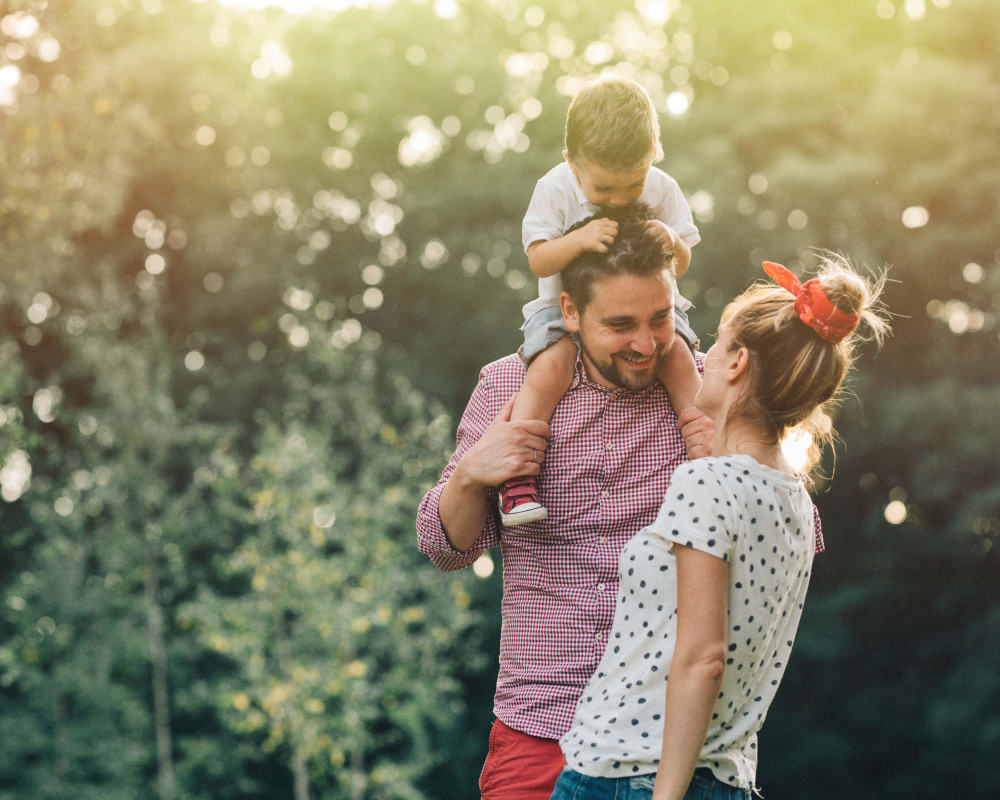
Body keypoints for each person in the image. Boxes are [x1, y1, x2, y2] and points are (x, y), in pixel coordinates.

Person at [416, 214, 825, 800]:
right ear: (571, 313)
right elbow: (446, 549)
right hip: (541, 725)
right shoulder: (510, 388)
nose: (645, 343)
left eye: (661, 319)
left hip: (669, 742)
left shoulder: (714, 393)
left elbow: (790, 536)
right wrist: (471, 475)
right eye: (620, 324)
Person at [551, 256, 888, 800]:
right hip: (728, 780)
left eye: (716, 344)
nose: (699, 357)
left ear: (736, 364)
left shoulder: (706, 483)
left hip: (628, 777)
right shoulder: (797, 502)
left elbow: (704, 659)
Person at [500, 74, 702, 527]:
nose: (616, 201)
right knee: (548, 370)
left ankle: (707, 454)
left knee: (682, 363)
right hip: (559, 311)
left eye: (631, 187)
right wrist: (581, 239)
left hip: (650, 304)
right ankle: (517, 479)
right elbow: (539, 260)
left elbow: (682, 263)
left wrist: (670, 238)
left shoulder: (663, 188)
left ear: (653, 157)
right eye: (603, 191)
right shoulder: (554, 189)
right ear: (572, 163)